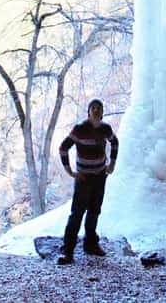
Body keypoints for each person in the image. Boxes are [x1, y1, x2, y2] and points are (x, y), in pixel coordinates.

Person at [56, 98, 118, 265]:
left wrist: (112, 163)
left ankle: (90, 244)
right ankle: (68, 251)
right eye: (93, 108)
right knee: (77, 213)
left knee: (94, 211)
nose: (96, 111)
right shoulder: (80, 129)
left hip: (99, 176)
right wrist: (69, 170)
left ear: (102, 112)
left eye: (99, 108)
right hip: (83, 178)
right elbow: (63, 148)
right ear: (88, 111)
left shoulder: (105, 129)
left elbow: (114, 142)